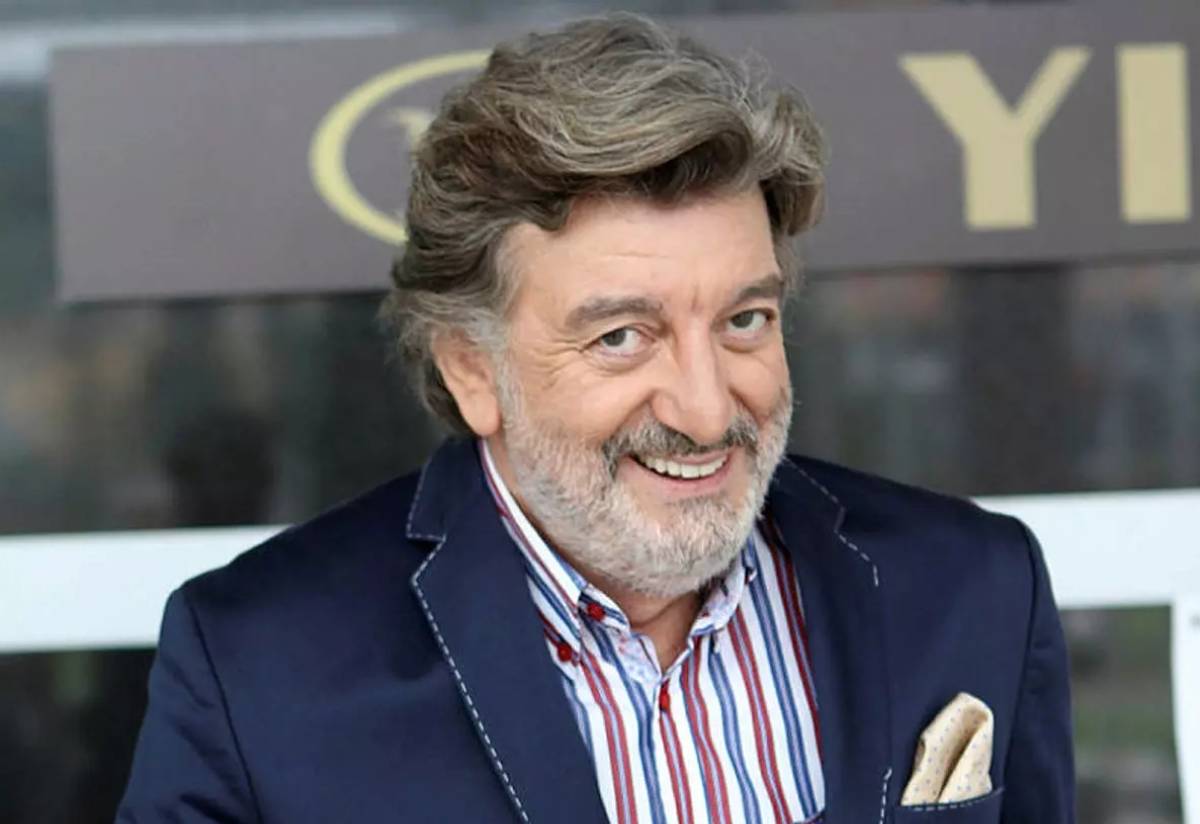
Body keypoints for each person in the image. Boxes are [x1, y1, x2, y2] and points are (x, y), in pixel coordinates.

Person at [117, 14, 1075, 823]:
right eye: (622, 337)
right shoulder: (258, 669)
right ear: (471, 369)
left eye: (744, 320)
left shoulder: (972, 588)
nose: (706, 408)